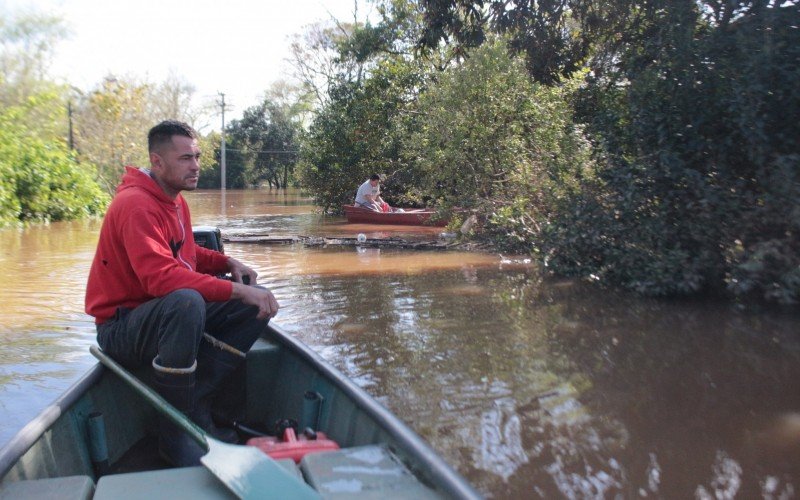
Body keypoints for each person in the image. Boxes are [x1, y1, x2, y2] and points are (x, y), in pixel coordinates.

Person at [85, 120, 279, 466]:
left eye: (197, 156)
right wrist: (234, 291)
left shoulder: (174, 201)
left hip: (160, 315)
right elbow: (161, 280)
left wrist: (227, 261)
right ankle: (175, 432)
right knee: (187, 301)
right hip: (121, 328)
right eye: (185, 158)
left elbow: (186, 254)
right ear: (157, 162)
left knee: (256, 299)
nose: (195, 166)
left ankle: (199, 402)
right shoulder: (135, 205)